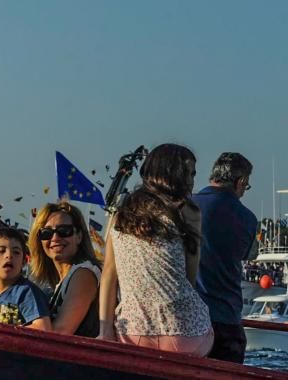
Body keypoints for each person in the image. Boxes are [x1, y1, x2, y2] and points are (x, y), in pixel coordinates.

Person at [98, 144, 213, 356]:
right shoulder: (188, 212)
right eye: (187, 173)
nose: (191, 180)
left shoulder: (121, 211)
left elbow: (109, 273)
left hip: (132, 331)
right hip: (186, 333)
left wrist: (105, 331)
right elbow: (189, 277)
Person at [193, 152, 259, 363]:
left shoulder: (187, 205)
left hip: (188, 320)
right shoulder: (247, 218)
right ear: (240, 182)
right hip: (227, 319)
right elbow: (249, 254)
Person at [27, 202, 101, 336]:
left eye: (64, 231)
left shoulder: (84, 274)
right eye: (47, 233)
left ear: (79, 236)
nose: (55, 238)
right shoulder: (59, 282)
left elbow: (60, 332)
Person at [0, 227, 50, 328]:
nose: (9, 255)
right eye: (1, 251)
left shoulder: (25, 292)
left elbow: (43, 327)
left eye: (16, 252)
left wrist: (7, 335)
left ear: (23, 262)